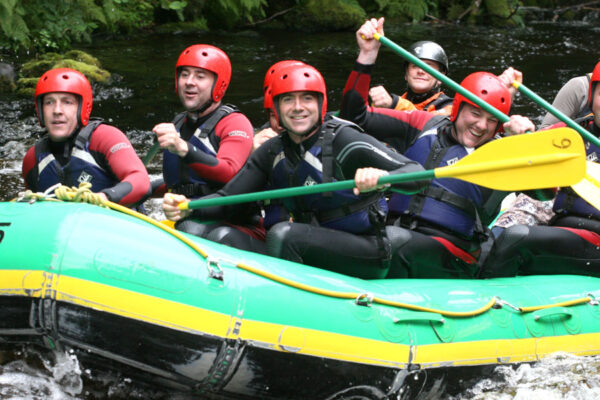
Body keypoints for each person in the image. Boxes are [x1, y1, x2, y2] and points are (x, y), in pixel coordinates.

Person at [163, 63, 428, 279]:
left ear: (320, 104)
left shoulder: (345, 140)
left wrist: (383, 178)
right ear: (277, 108)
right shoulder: (272, 151)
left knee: (283, 234)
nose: (298, 107)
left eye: (307, 99)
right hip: (306, 247)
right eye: (288, 100)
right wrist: (188, 206)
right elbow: (228, 198)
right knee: (224, 237)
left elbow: (416, 174)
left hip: (363, 250)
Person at [339, 17, 535, 278]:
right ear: (458, 108)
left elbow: (544, 192)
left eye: (491, 121)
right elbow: (354, 117)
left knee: (393, 240)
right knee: (373, 233)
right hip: (396, 232)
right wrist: (367, 54)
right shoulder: (424, 123)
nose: (481, 126)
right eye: (475, 114)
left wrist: (526, 143)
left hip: (455, 252)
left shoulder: (501, 150)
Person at [480, 60, 600, 278]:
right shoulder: (572, 131)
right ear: (592, 97)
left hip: (595, 237)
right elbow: (530, 151)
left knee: (516, 237)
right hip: (561, 218)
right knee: (497, 232)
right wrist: (515, 129)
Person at [153, 44, 265, 252]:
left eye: (200, 76)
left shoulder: (234, 123)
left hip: (234, 224)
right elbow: (182, 183)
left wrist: (183, 148)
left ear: (218, 85)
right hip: (189, 216)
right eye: (184, 75)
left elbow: (229, 172)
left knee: (190, 228)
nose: (189, 82)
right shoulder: (178, 123)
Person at [22, 68, 150, 207]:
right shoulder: (32, 159)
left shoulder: (104, 138)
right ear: (40, 110)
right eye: (49, 102)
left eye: (67, 102)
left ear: (83, 108)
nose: (57, 110)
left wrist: (104, 197)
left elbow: (141, 181)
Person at [368, 40, 453, 116]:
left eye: (428, 66)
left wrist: (395, 104)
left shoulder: (450, 107)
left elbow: (428, 124)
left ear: (441, 77)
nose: (420, 71)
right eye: (415, 65)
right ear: (406, 74)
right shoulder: (390, 103)